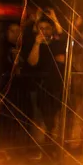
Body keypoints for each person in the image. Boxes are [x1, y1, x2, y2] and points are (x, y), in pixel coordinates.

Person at [26, 16, 67, 151]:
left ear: (51, 30)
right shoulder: (34, 43)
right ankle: (38, 148)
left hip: (55, 85)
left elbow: (63, 55)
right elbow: (32, 62)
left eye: (47, 28)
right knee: (39, 118)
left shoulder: (56, 44)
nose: (44, 31)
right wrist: (37, 44)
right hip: (39, 86)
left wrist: (55, 18)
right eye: (41, 28)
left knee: (54, 117)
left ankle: (52, 146)